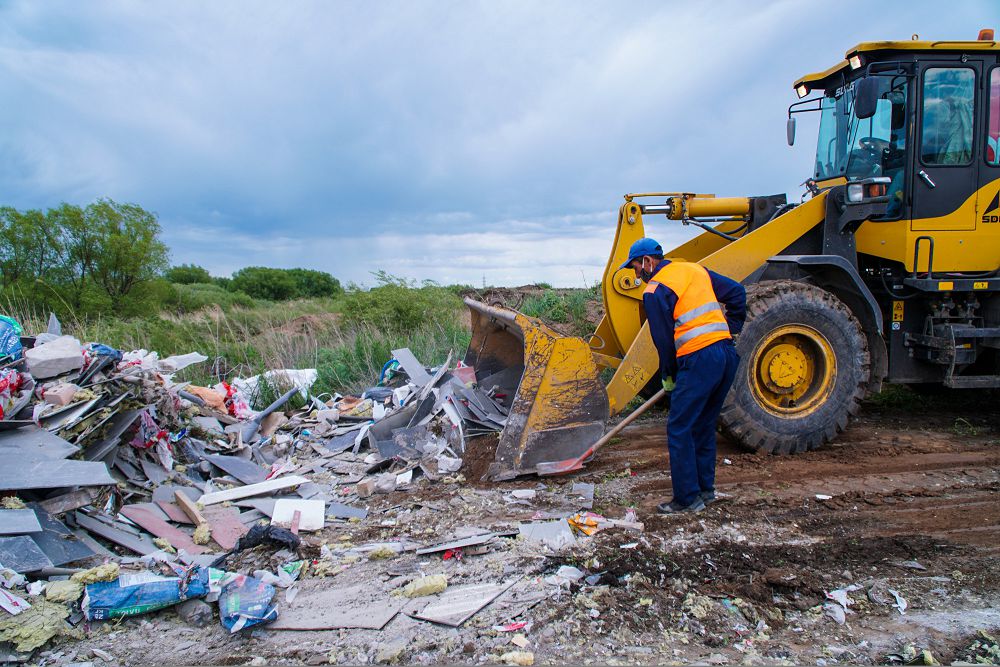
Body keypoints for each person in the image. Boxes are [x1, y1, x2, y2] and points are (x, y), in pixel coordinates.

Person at [622, 237, 746, 513]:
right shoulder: (693, 270)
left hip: (700, 359)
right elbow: (737, 292)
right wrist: (731, 328)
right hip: (725, 356)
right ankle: (705, 490)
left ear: (647, 262)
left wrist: (669, 373)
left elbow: (664, 342)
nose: (636, 275)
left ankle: (687, 499)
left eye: (635, 268)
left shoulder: (655, 290)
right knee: (702, 424)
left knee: (679, 427)